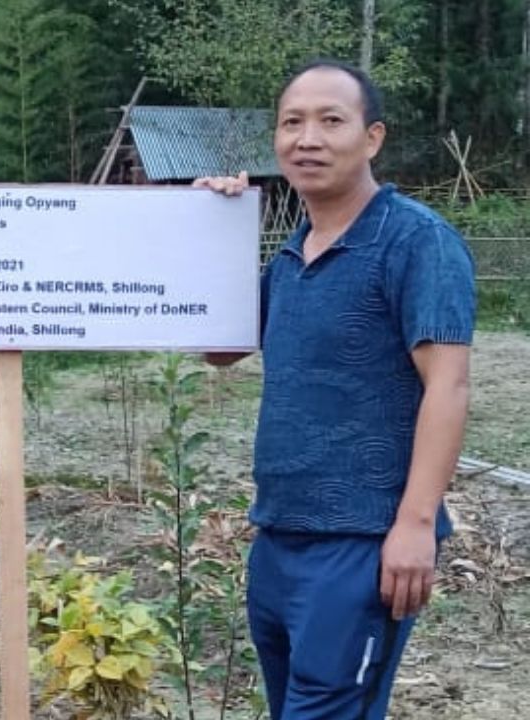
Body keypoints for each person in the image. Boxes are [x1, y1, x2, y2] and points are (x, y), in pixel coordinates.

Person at [196, 60, 475, 719]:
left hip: (364, 538)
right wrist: (210, 232)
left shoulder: (416, 242)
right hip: (279, 532)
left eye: (331, 121)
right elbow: (219, 348)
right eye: (292, 122)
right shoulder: (293, 254)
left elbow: (449, 385)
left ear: (372, 138)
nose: (308, 139)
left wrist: (415, 525)